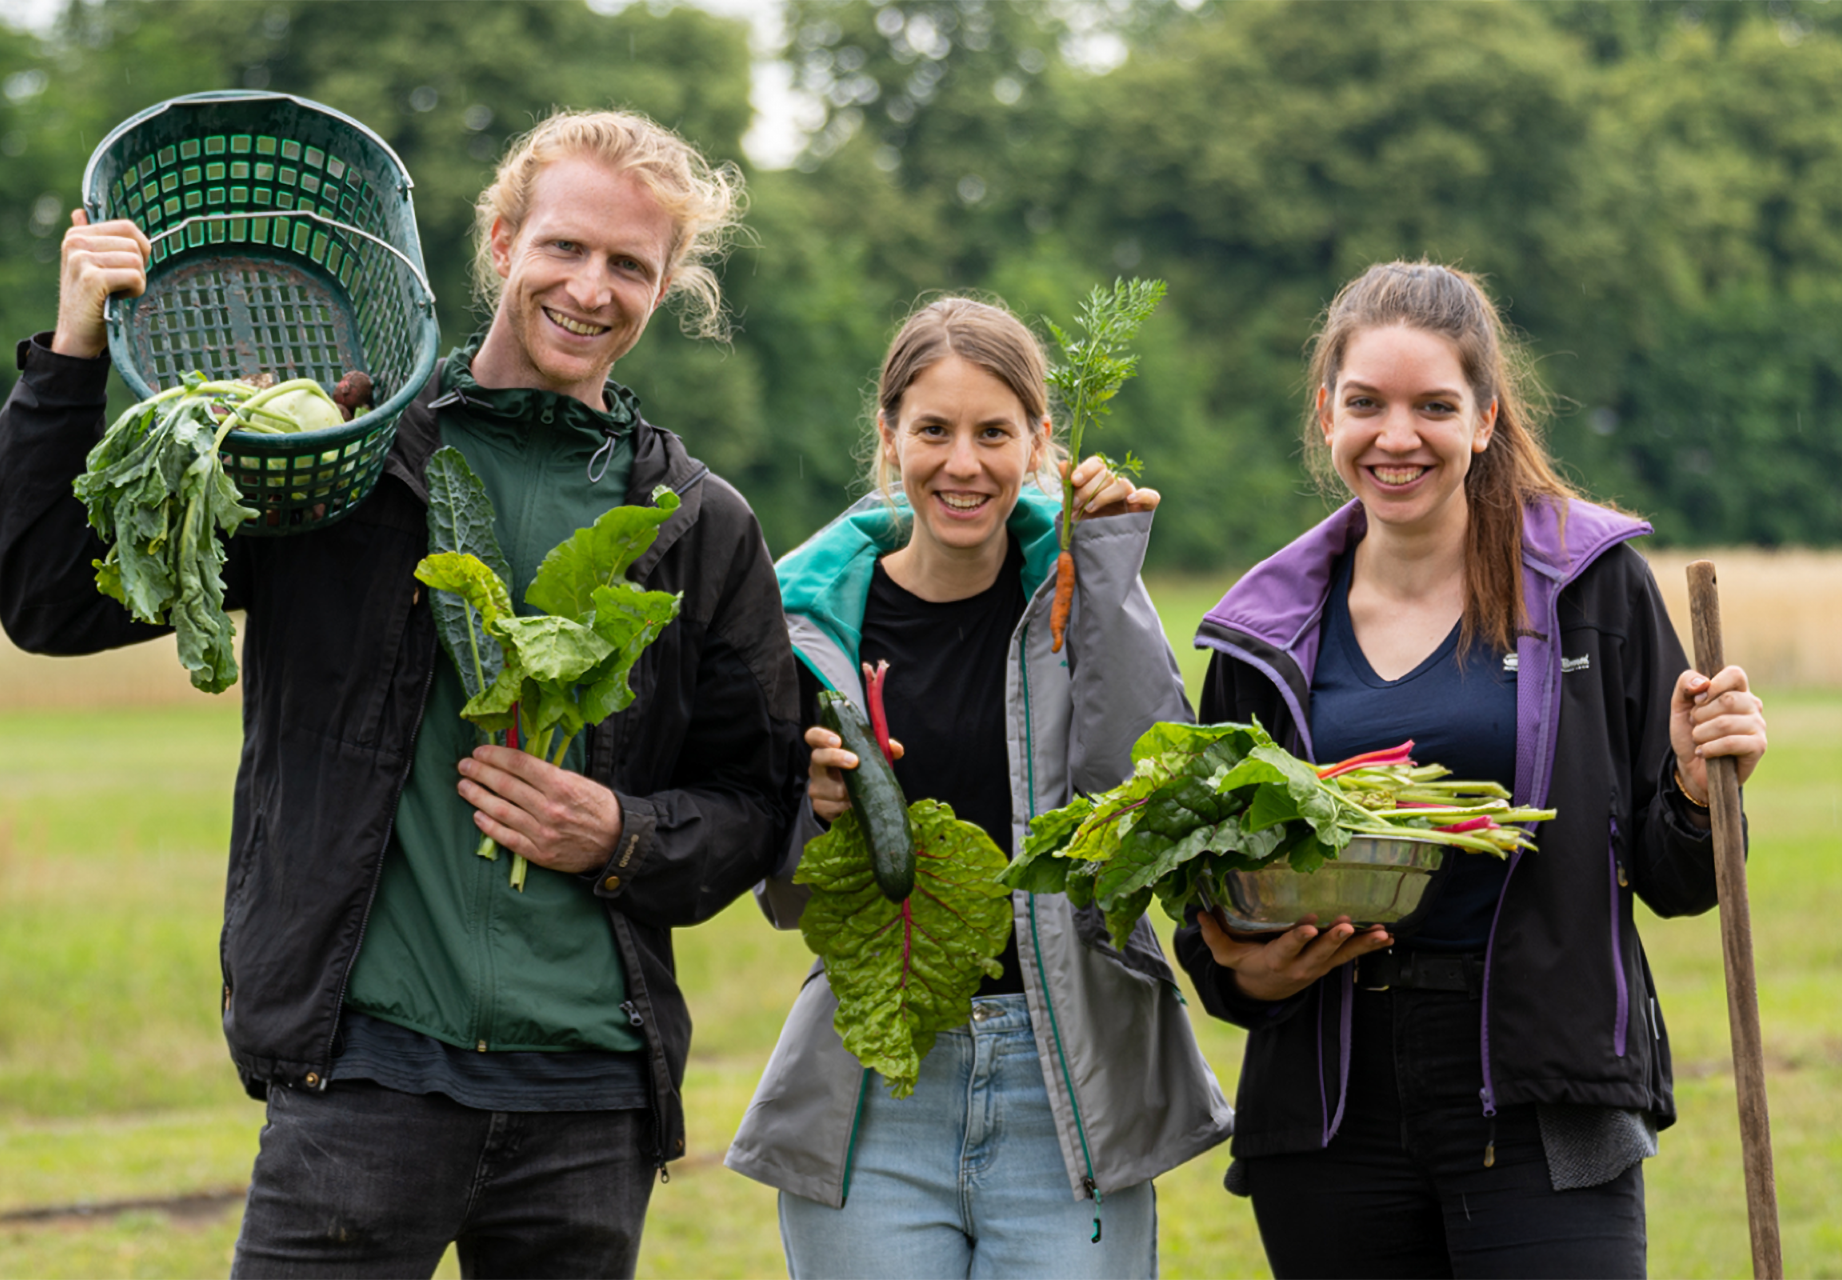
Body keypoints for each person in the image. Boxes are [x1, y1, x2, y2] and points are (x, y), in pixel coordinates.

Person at [0, 109, 804, 1278]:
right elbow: (52, 600)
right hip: (363, 1078)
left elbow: (753, 802)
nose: (591, 287)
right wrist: (70, 358)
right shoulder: (342, 459)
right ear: (504, 238)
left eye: (631, 264)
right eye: (565, 248)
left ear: (667, 285)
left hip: (586, 1098)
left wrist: (621, 833)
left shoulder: (696, 525)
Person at [1175, 261, 1769, 1279]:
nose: (1396, 436)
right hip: (1329, 1115)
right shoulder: (1262, 633)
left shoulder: (1589, 587)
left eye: (1433, 406)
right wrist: (1240, 966)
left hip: (1545, 1094)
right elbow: (1218, 908)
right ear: (1327, 413)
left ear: (1485, 417)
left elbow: (1681, 880)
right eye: (1366, 403)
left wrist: (1696, 785)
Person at [723, 297, 1232, 1279]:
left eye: (994, 432)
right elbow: (784, 895)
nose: (963, 463)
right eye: (934, 430)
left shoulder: (1076, 596)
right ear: (889, 437)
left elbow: (1148, 795)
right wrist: (813, 818)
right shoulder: (805, 623)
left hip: (1068, 1080)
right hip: (879, 1079)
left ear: (1039, 441)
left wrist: (1113, 569)